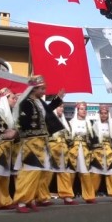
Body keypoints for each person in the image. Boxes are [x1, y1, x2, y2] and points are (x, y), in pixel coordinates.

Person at [12, 75, 65, 213]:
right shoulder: (26, 102)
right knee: (29, 171)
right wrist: (19, 132)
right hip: (31, 141)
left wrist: (58, 98)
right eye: (42, 89)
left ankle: (30, 199)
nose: (44, 91)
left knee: (40, 172)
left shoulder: (39, 102)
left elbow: (49, 109)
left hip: (42, 140)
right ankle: (21, 201)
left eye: (44, 88)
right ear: (33, 88)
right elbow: (22, 121)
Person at [90, 104, 112, 202]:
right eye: (102, 113)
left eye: (105, 113)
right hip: (97, 151)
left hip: (109, 152)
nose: (103, 115)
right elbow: (91, 140)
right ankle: (91, 194)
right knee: (95, 174)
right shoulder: (94, 125)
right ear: (99, 114)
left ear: (108, 114)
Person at [48, 104, 78, 205]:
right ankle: (41, 197)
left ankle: (67, 195)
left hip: (63, 149)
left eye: (62, 107)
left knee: (64, 172)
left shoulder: (65, 122)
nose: (61, 109)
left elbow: (69, 136)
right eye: (59, 107)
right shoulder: (48, 120)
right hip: (51, 148)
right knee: (47, 174)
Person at [68, 101, 97, 204]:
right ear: (77, 110)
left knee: (85, 173)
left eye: (85, 109)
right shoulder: (71, 122)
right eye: (81, 109)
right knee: (70, 172)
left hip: (84, 150)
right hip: (73, 149)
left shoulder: (89, 123)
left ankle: (89, 196)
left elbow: (93, 139)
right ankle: (68, 196)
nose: (83, 111)